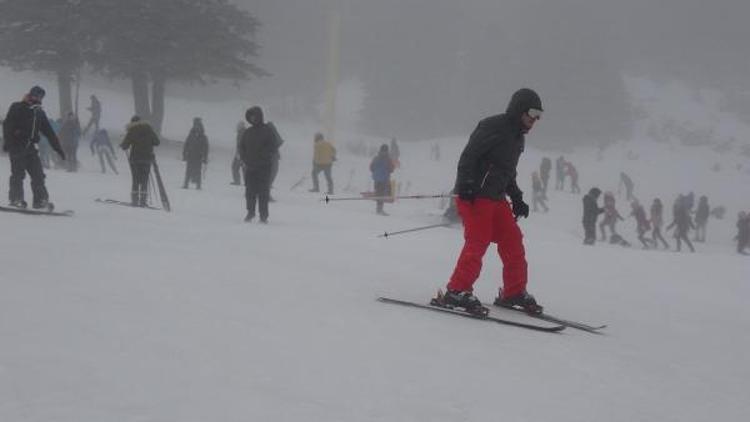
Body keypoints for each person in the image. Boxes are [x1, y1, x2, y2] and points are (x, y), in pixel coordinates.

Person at [436, 88, 544, 316]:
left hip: (496, 198)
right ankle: (457, 289)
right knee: (478, 241)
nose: (535, 120)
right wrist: (465, 184)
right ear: (519, 110)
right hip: (475, 195)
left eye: (539, 116)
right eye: (532, 113)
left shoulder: (517, 138)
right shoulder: (493, 127)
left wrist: (517, 197)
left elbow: (507, 172)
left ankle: (513, 291)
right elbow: (468, 157)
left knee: (513, 241)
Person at [2, 86, 66, 208]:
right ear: (30, 94)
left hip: (31, 148)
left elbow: (49, 132)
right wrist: (8, 142)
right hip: (17, 145)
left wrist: (58, 149)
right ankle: (16, 199)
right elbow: (7, 125)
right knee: (18, 174)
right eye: (35, 95)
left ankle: (40, 201)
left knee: (38, 175)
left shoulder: (39, 113)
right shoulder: (18, 107)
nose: (37, 98)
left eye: (40, 96)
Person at [239, 106, 279, 223]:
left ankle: (263, 216)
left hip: (264, 167)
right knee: (249, 192)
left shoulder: (267, 130)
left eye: (255, 115)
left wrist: (264, 156)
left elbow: (273, 146)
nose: (253, 118)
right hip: (250, 167)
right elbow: (242, 147)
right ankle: (250, 213)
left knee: (263, 193)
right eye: (251, 116)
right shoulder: (248, 132)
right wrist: (244, 158)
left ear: (260, 116)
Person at [120, 115, 160, 207]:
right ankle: (143, 201)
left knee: (135, 180)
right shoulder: (149, 129)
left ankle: (135, 200)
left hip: (135, 159)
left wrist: (122, 144)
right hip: (147, 159)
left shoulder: (132, 130)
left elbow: (125, 146)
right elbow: (157, 142)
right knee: (144, 180)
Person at [182, 117, 209, 189]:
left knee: (195, 170)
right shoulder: (192, 134)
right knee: (190, 170)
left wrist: (205, 157)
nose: (195, 126)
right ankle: (190, 184)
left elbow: (205, 148)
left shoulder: (198, 135)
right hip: (192, 155)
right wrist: (184, 153)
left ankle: (195, 184)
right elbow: (186, 145)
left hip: (197, 155)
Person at [370, 144, 395, 216]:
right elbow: (391, 169)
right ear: (387, 151)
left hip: (376, 178)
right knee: (381, 194)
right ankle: (379, 210)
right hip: (384, 179)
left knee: (378, 193)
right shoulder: (388, 159)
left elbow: (371, 167)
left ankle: (378, 208)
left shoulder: (376, 158)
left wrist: (376, 172)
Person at [231, 121, 245, 185]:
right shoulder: (244, 132)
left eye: (238, 126)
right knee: (244, 168)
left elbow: (240, 144)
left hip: (241, 154)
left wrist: (239, 153)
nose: (237, 128)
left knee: (235, 167)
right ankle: (247, 182)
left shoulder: (241, 133)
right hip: (244, 154)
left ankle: (237, 181)